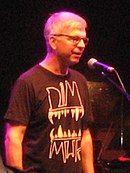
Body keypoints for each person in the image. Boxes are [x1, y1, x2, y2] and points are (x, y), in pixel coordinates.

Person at [4, 11, 95, 173]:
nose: (81, 45)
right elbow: (14, 137)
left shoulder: (80, 81)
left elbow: (84, 135)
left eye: (84, 40)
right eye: (74, 39)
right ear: (53, 41)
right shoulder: (28, 81)